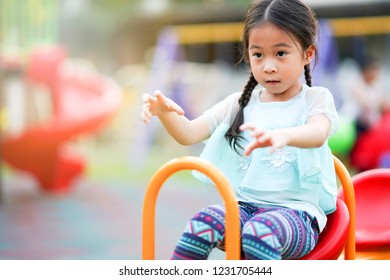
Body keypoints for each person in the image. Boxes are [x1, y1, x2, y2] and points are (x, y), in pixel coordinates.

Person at [141, 0, 339, 260]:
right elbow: (188, 133)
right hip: (244, 209)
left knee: (259, 232)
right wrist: (165, 113)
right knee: (203, 222)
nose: (268, 66)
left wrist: (284, 135)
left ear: (307, 54)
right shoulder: (238, 104)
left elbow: (318, 133)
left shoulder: (315, 99)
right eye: (258, 54)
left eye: (280, 53)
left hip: (297, 214)